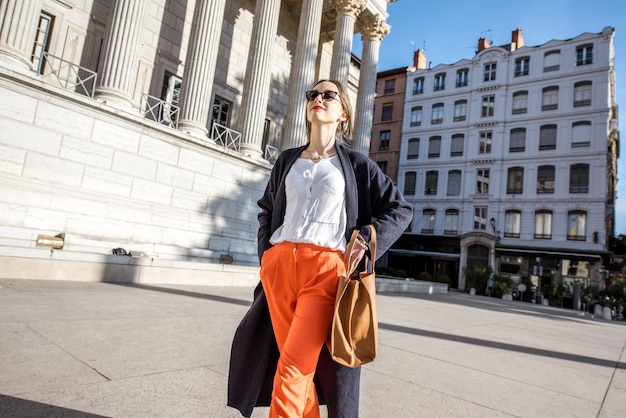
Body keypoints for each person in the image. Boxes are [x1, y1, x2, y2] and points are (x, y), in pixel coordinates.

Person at [227, 79, 412, 418]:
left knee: (291, 372)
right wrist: (266, 255)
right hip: (278, 269)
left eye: (330, 95)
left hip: (325, 271)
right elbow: (267, 210)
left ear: (343, 113)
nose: (319, 99)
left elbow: (399, 209)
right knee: (298, 371)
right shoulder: (286, 160)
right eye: (313, 94)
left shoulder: (357, 165)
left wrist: (367, 240)